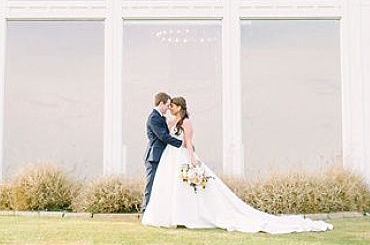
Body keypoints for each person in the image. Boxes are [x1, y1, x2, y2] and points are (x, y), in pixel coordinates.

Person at [142, 95, 332, 234]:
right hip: (172, 157)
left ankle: (189, 215)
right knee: (174, 186)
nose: (170, 108)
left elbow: (188, 141)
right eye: (169, 106)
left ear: (179, 107)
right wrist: (170, 122)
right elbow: (165, 134)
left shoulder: (187, 122)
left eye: (172, 106)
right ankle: (176, 214)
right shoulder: (170, 120)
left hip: (183, 155)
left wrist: (192, 157)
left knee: (190, 186)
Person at [143, 91, 183, 213]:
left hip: (161, 155)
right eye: (167, 105)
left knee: (159, 184)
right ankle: (146, 210)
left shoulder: (159, 117)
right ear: (161, 103)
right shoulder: (154, 117)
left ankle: (156, 210)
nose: (168, 108)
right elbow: (163, 136)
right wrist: (181, 144)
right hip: (154, 156)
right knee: (151, 184)